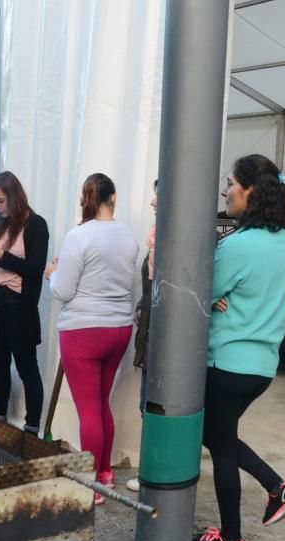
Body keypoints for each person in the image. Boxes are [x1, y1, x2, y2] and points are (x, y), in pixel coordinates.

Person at [191, 154, 285, 541]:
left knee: (220, 446)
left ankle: (231, 540)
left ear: (250, 191)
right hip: (262, 367)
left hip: (227, 363)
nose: (226, 192)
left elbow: (197, 292)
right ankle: (278, 489)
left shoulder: (237, 245)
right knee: (217, 436)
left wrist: (214, 295)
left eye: (230, 185)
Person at [45, 173, 138, 504]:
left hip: (83, 331)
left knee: (88, 410)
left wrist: (52, 275)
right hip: (119, 329)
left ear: (85, 199)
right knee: (102, 403)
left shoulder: (78, 237)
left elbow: (64, 290)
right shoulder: (129, 237)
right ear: (113, 198)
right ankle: (105, 474)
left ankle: (92, 485)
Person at [0, 171, 49, 433]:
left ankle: (31, 427)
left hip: (19, 304)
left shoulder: (36, 224)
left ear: (14, 197)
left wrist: (2, 255)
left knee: (27, 365)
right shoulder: (4, 225)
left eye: (0, 201)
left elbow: (35, 268)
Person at [128, 179, 158, 494]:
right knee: (146, 403)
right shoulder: (156, 239)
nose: (152, 202)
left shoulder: (171, 240)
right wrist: (141, 304)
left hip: (161, 336)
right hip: (150, 328)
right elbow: (150, 284)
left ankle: (152, 471)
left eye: (158, 195)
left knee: (153, 404)